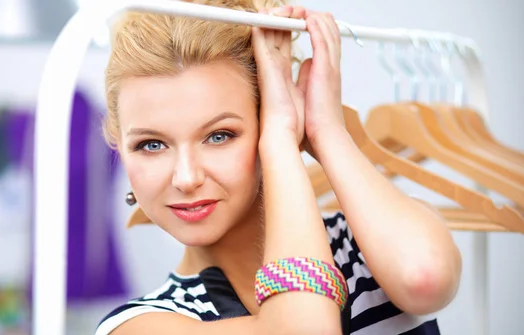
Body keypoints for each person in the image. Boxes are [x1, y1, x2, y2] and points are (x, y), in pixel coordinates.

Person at [96, 0, 462, 334]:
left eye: (219, 135)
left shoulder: (370, 244)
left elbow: (424, 278)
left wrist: (325, 131)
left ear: (267, 117)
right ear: (119, 144)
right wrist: (281, 139)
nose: (187, 178)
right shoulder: (138, 325)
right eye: (151, 145)